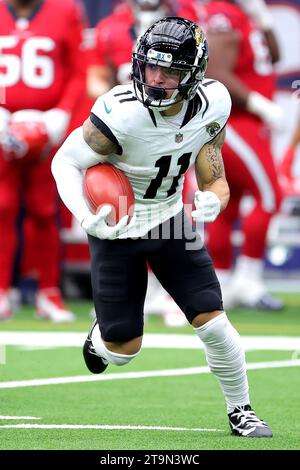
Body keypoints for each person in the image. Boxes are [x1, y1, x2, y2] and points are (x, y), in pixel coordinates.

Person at [52, 17, 272, 437]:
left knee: (212, 320)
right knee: (122, 350)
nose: (156, 78)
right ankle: (103, 338)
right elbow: (65, 161)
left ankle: (241, 409)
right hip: (116, 222)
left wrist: (214, 200)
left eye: (169, 70)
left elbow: (215, 177)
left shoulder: (213, 104)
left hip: (170, 219)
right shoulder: (121, 113)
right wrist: (86, 215)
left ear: (192, 75)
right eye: (150, 66)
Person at [87, 0, 199, 327]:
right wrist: (114, 109)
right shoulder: (111, 27)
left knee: (177, 199)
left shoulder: (187, 21)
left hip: (172, 127)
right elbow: (95, 78)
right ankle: (126, 295)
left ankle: (172, 293)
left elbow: (201, 77)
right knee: (121, 203)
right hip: (129, 130)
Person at [0, 0, 86, 321]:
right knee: (3, 206)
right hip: (4, 127)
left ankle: (48, 292)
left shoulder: (64, 12)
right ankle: (2, 292)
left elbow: (80, 70)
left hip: (46, 131)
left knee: (44, 209)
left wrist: (60, 114)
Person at [196, 0, 284, 310]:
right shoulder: (223, 14)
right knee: (271, 194)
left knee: (226, 203)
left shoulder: (244, 14)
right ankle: (248, 278)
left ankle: (218, 280)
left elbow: (274, 56)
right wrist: (260, 104)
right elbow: (216, 71)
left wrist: (263, 18)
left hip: (245, 123)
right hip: (236, 121)